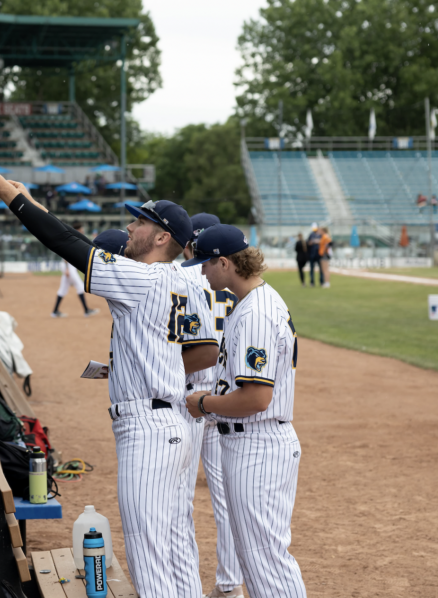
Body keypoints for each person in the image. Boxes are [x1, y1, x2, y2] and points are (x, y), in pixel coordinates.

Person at [0, 163, 216, 598]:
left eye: (140, 222)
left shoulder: (141, 278)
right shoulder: (183, 278)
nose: (130, 226)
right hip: (174, 423)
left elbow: (67, 244)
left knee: (149, 553)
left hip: (149, 429)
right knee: (176, 546)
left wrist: (10, 196)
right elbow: (79, 243)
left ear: (161, 238)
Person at [184, 224, 307, 598]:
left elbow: (256, 399)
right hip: (256, 443)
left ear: (226, 263)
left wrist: (203, 403)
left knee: (265, 559)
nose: (203, 272)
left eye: (206, 264)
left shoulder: (255, 313)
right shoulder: (258, 301)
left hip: (258, 443)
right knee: (259, 557)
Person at [180, 213, 245, 598]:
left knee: (181, 501)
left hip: (189, 398)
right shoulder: (233, 280)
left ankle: (184, 586)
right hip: (222, 396)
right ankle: (229, 586)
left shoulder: (183, 275)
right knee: (226, 502)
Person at [52, 223, 99, 318]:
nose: (82, 231)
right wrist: (67, 269)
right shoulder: (71, 237)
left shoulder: (74, 237)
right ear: (77, 230)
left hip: (70, 266)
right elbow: (65, 254)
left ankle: (55, 311)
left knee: (63, 289)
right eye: (81, 230)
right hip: (68, 266)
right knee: (80, 287)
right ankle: (86, 310)